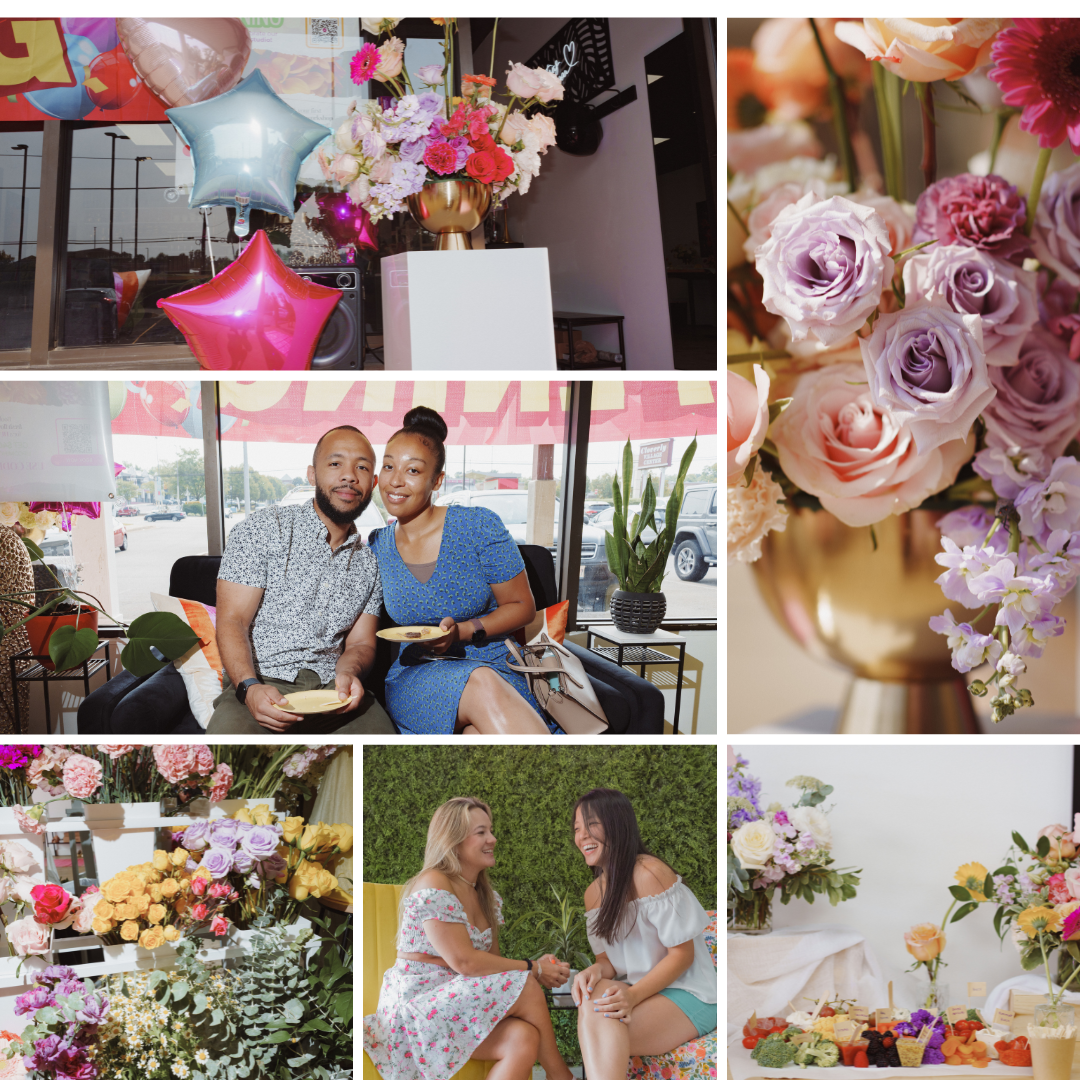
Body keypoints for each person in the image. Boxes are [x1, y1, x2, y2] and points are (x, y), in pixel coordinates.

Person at [369, 406, 552, 735]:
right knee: (480, 685)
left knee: (475, 732)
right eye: (388, 466)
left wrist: (463, 632)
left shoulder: (478, 526)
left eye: (413, 470)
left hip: (498, 663)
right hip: (420, 672)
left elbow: (522, 607)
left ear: (436, 480)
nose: (395, 480)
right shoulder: (377, 546)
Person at [363, 797, 574, 1080]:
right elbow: (465, 962)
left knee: (522, 1038)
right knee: (525, 984)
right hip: (417, 1010)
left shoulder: (485, 896)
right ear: (454, 841)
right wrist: (533, 969)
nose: (493, 839)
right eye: (481, 832)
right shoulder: (434, 882)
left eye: (491, 830)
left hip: (457, 1005)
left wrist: (537, 967)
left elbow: (493, 966)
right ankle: (562, 1076)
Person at [207, 424, 395, 735]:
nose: (349, 475)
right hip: (260, 686)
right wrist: (248, 688)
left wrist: (349, 672)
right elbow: (232, 621)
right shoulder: (262, 529)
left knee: (384, 760)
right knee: (225, 760)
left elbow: (361, 642)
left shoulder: (369, 562)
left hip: (333, 693)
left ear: (372, 483)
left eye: (361, 467)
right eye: (335, 464)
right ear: (312, 475)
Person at [571, 788, 717, 1079]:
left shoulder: (650, 873)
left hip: (689, 993)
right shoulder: (593, 895)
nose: (582, 836)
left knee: (599, 1027)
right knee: (594, 995)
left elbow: (682, 956)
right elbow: (607, 961)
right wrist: (592, 971)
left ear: (618, 825)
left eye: (592, 825)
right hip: (642, 992)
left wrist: (633, 996)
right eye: (577, 829)